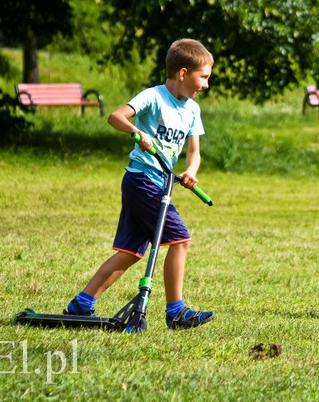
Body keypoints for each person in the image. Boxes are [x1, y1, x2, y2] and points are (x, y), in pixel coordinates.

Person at [65, 38, 215, 330]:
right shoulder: (153, 97)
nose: (206, 84)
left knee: (132, 252)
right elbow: (115, 117)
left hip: (160, 183)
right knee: (181, 240)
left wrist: (191, 171)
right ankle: (176, 312)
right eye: (204, 77)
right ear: (183, 73)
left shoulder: (192, 110)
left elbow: (194, 152)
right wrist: (137, 132)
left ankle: (81, 304)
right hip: (141, 179)